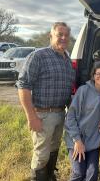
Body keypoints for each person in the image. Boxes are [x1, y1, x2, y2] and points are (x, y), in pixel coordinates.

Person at [16, 22, 75, 181]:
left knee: (54, 149)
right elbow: (23, 85)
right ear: (51, 36)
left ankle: (50, 177)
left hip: (60, 113)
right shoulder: (38, 56)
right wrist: (31, 116)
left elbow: (69, 90)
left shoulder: (67, 60)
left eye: (66, 35)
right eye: (59, 34)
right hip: (42, 114)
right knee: (41, 154)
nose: (63, 38)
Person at [64, 61, 100, 181]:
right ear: (93, 75)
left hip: (94, 140)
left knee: (92, 175)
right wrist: (77, 141)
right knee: (79, 173)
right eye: (98, 74)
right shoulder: (83, 90)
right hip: (77, 139)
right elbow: (70, 117)